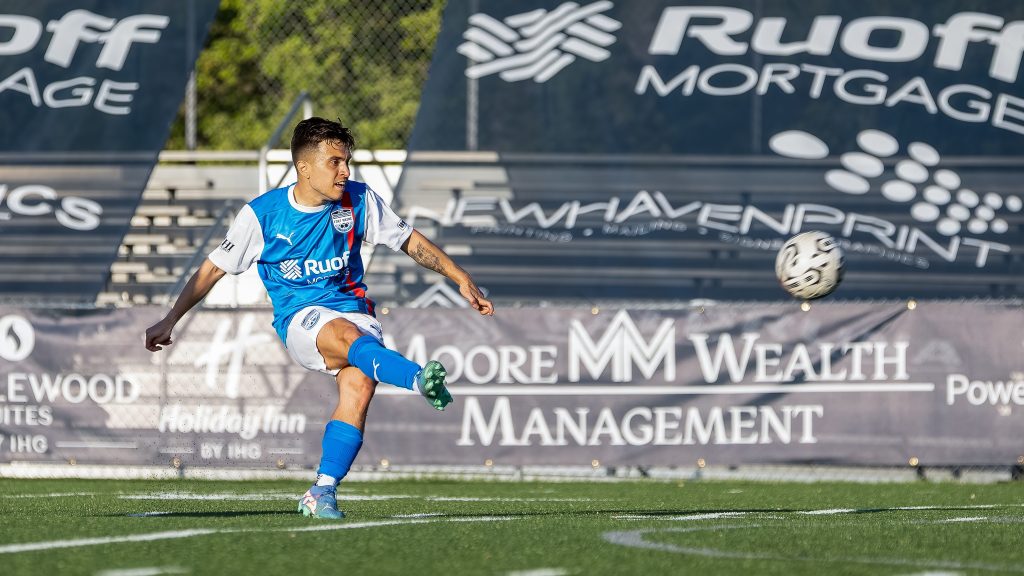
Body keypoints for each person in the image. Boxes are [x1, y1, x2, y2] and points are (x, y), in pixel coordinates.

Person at [144, 117, 494, 520]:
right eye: (335, 162)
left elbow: (409, 240)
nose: (345, 171)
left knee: (359, 386)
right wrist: (170, 320)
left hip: (355, 310)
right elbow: (212, 270)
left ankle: (321, 491)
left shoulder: (359, 200)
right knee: (345, 336)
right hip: (300, 317)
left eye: (347, 162)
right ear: (304, 167)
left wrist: (460, 277)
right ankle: (416, 379)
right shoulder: (263, 215)